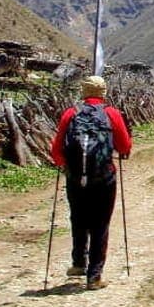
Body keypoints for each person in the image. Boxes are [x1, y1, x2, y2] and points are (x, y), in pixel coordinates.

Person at [50, 75, 131, 290]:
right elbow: (124, 146)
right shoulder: (111, 114)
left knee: (78, 218)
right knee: (100, 224)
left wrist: (68, 167)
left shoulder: (71, 113)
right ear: (103, 92)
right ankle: (94, 276)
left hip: (75, 178)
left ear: (83, 91)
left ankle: (78, 262)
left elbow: (56, 150)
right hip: (104, 178)